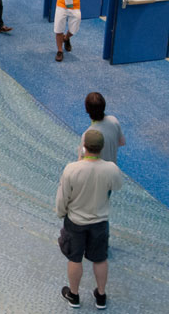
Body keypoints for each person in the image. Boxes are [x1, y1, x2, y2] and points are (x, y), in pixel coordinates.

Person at [55, 130, 123, 309]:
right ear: (101, 148)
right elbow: (117, 185)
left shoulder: (72, 169)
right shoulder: (111, 169)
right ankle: (101, 296)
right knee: (100, 259)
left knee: (75, 259)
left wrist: (61, 213)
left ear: (84, 147)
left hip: (76, 221)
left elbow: (63, 196)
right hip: (100, 221)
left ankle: (74, 295)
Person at [79, 92, 125, 163]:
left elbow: (81, 161)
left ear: (87, 110)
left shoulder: (87, 136)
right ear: (104, 106)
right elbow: (122, 142)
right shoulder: (114, 121)